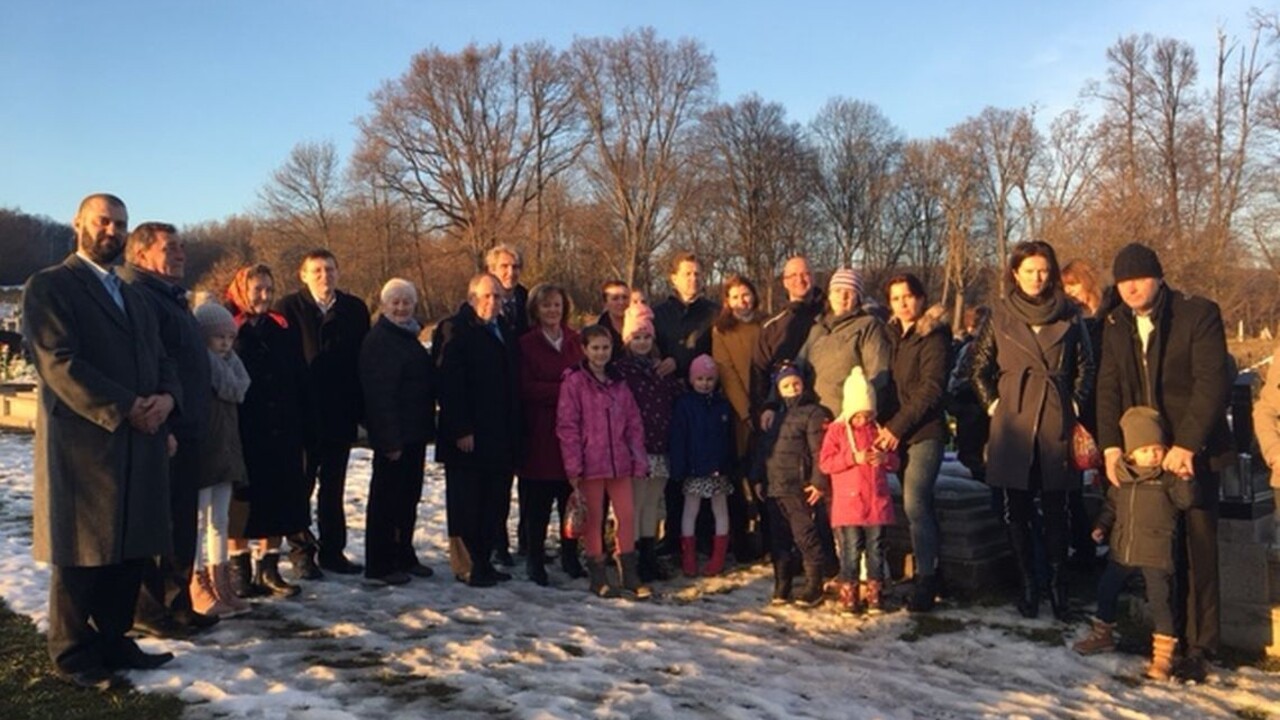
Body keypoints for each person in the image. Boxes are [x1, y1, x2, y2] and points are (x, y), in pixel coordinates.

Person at [23, 193, 179, 689]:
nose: (112, 231)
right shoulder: (50, 286)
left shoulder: (134, 295)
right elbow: (59, 362)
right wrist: (128, 406)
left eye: (121, 224)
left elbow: (163, 358)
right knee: (82, 551)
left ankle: (114, 638)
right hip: (85, 444)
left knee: (131, 546)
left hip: (142, 438)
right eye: (103, 221)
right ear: (79, 224)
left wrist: (167, 400)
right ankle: (72, 653)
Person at [1096, 242, 1231, 681]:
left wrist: (1187, 444)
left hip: (1194, 452)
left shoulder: (1197, 314)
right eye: (1124, 281)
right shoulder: (1115, 324)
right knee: (1156, 553)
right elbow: (1108, 388)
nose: (1131, 288)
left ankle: (1201, 646)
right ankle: (1164, 637)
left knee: (1198, 546)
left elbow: (1211, 383)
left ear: (1158, 277)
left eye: (1139, 278)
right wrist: (1111, 446)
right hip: (1143, 457)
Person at [970, 240, 1094, 621]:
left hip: (1056, 417)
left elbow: (1086, 366)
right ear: (1015, 274)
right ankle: (1028, 584)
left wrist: (1073, 404)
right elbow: (979, 368)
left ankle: (1058, 587)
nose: (1037, 278)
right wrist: (995, 406)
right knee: (1016, 508)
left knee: (1058, 508)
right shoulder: (1000, 315)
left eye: (1043, 270)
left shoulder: (1069, 314)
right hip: (1014, 420)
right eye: (1029, 271)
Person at [117, 222, 219, 637]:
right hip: (163, 429)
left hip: (189, 426)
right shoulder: (138, 296)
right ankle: (148, 609)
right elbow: (148, 366)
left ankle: (179, 604)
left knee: (181, 521)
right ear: (141, 255)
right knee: (155, 523)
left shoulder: (171, 297)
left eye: (181, 246)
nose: (180, 253)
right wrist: (167, 426)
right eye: (169, 247)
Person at [1073, 407, 1193, 682]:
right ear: (1131, 454)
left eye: (1157, 449)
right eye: (1145, 450)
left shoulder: (1168, 479)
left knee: (1160, 601)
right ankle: (1103, 633)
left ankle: (1164, 654)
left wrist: (1186, 479)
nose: (1153, 455)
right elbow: (1111, 506)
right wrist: (1101, 527)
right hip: (1123, 548)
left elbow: (1185, 501)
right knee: (1106, 589)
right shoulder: (1123, 479)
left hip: (1156, 550)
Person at [276, 249, 370, 577]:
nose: (324, 276)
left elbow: (362, 362)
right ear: (303, 275)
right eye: (316, 270)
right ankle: (301, 552)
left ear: (338, 272)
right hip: (302, 415)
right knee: (300, 487)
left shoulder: (354, 309)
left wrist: (361, 411)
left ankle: (333, 550)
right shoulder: (288, 308)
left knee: (334, 488)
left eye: (329, 269)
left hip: (340, 414)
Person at [225, 265, 311, 599]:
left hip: (282, 427)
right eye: (257, 289)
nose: (264, 296)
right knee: (242, 505)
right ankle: (239, 571)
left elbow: (299, 374)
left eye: (269, 289)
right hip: (244, 428)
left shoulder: (281, 327)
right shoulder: (228, 327)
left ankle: (269, 568)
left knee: (279, 500)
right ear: (242, 290)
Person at [432, 273, 521, 588]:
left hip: (499, 433)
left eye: (497, 296)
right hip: (467, 435)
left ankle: (484, 561)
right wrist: (461, 429)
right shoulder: (454, 329)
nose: (492, 302)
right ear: (471, 299)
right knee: (466, 503)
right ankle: (467, 565)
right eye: (485, 296)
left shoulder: (503, 329)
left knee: (493, 503)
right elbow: (448, 383)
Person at [556, 325, 651, 599]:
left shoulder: (619, 380)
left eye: (605, 348)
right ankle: (598, 575)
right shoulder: (574, 381)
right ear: (585, 350)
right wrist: (573, 465)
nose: (601, 353)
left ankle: (629, 573)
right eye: (595, 348)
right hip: (590, 462)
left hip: (619, 461)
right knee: (594, 518)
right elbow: (568, 425)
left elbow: (633, 422)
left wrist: (638, 458)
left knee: (627, 515)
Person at [876, 273, 949, 612]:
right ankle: (930, 568)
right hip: (895, 431)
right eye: (895, 298)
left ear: (920, 298)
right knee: (916, 505)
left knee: (915, 502)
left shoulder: (933, 336)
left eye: (908, 296)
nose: (902, 303)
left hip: (923, 432)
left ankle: (927, 579)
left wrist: (896, 427)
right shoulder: (891, 336)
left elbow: (930, 389)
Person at [359, 279, 436, 586]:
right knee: (386, 502)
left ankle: (403, 553)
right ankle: (379, 564)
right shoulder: (380, 340)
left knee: (408, 499)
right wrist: (389, 440)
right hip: (394, 437)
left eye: (407, 302)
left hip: (414, 433)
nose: (402, 308)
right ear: (384, 305)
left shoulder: (408, 336)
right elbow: (380, 396)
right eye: (396, 302)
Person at [188, 301, 253, 618]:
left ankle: (221, 579)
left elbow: (238, 392)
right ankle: (196, 580)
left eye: (230, 337)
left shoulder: (234, 366)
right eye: (219, 337)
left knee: (220, 520)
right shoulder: (200, 367)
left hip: (226, 450)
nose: (226, 343)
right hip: (205, 450)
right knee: (198, 521)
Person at [517, 283, 584, 585]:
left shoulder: (575, 341)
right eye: (546, 305)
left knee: (570, 499)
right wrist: (564, 391)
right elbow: (525, 387)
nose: (552, 310)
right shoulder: (526, 344)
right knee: (538, 504)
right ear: (536, 309)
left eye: (557, 304)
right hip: (538, 431)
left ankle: (570, 555)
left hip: (571, 433)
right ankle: (535, 558)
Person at [652, 251, 719, 551]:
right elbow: (648, 348)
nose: (693, 279)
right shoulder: (660, 313)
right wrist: (661, 361)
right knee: (674, 468)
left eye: (697, 274)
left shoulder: (714, 313)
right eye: (687, 274)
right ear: (674, 278)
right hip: (669, 400)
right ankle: (673, 535)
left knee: (703, 465)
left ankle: (704, 534)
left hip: (704, 399)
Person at [750, 363, 831, 607]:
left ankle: (814, 583)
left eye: (796, 384)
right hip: (774, 485)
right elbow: (764, 449)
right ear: (779, 389)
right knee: (779, 539)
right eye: (786, 385)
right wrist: (757, 478)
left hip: (798, 486)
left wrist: (818, 481)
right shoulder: (774, 416)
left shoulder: (813, 413)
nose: (792, 389)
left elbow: (819, 452)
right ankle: (782, 584)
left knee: (805, 535)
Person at [819, 367, 899, 614]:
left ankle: (875, 593)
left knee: (876, 549)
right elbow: (826, 463)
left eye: (867, 415)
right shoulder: (837, 431)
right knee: (851, 550)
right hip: (849, 504)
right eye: (858, 416)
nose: (863, 421)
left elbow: (895, 462)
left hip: (876, 501)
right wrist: (853, 458)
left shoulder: (878, 431)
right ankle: (849, 593)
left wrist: (885, 459)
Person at [614, 303, 683, 582]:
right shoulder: (621, 371)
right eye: (636, 337)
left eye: (646, 337)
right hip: (636, 448)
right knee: (635, 503)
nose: (642, 343)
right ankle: (629, 559)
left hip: (660, 444)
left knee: (653, 503)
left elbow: (675, 396)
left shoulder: (661, 370)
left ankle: (648, 554)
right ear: (627, 340)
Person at [712, 274, 766, 563]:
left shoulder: (765, 325)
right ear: (727, 301)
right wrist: (745, 412)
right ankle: (740, 541)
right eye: (734, 297)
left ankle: (770, 540)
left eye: (745, 295)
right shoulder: (721, 331)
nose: (741, 301)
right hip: (737, 413)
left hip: (766, 408)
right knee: (736, 478)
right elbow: (726, 372)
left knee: (764, 478)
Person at [669, 354, 736, 577]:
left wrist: (729, 464)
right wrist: (680, 467)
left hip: (718, 468)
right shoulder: (685, 404)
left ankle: (718, 555)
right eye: (700, 379)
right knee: (690, 510)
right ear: (692, 380)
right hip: (694, 468)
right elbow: (679, 437)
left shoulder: (722, 405)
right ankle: (688, 554)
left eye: (709, 379)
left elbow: (729, 438)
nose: (704, 384)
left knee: (720, 509)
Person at [485, 243, 527, 565]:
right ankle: (497, 541)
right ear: (491, 270)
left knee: (529, 477)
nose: (510, 273)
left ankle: (528, 539)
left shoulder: (529, 300)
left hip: (525, 397)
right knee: (497, 481)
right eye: (503, 267)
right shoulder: (483, 300)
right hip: (494, 403)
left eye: (515, 267)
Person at [750, 256, 825, 421]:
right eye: (793, 275)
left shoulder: (829, 315)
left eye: (805, 274)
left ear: (813, 277)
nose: (800, 280)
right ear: (785, 282)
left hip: (826, 409)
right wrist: (764, 409)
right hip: (784, 414)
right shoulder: (772, 326)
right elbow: (759, 372)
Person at [597, 279, 630, 359]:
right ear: (605, 303)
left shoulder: (643, 326)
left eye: (625, 297)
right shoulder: (597, 331)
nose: (621, 302)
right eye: (615, 298)